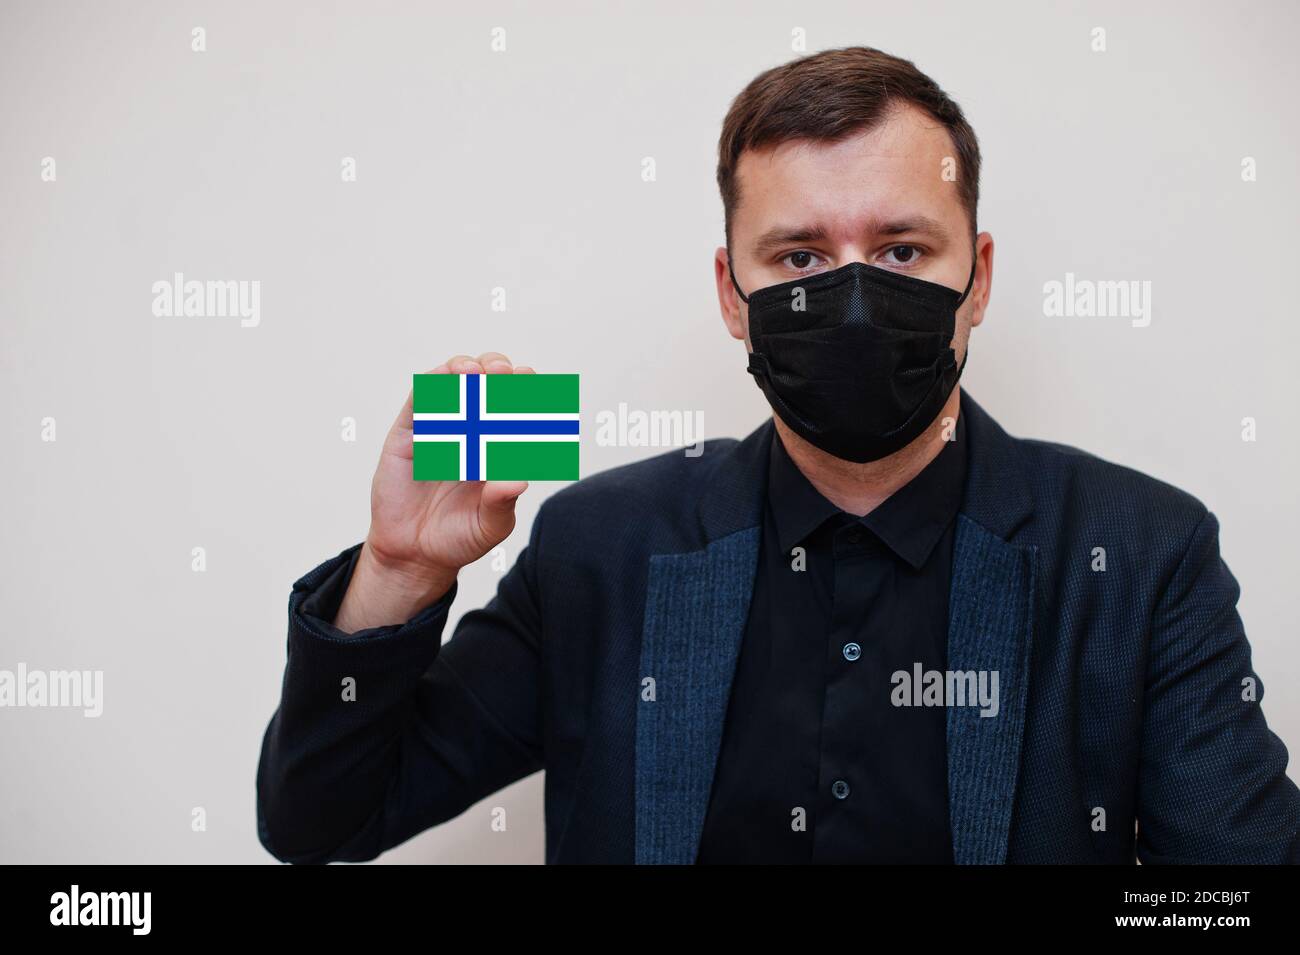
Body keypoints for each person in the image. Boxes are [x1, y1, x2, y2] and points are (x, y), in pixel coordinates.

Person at [256, 46, 1299, 864]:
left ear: (977, 279)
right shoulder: (600, 548)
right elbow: (322, 820)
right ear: (730, 293)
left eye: (900, 251)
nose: (850, 302)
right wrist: (397, 574)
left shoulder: (1138, 554)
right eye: (799, 256)